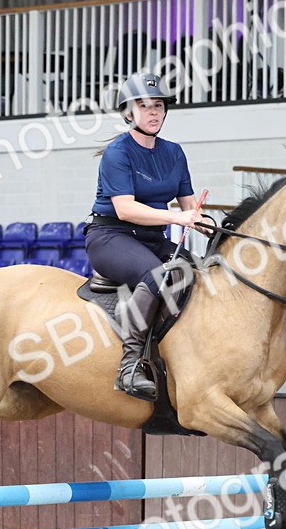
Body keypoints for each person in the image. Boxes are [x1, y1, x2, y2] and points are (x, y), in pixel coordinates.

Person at [86, 74, 206, 401]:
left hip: (153, 240)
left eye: (158, 106)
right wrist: (177, 217)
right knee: (156, 275)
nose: (153, 112)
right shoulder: (117, 153)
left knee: (203, 273)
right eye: (144, 106)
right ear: (128, 114)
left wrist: (203, 221)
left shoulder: (175, 153)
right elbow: (124, 210)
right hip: (111, 237)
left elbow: (188, 206)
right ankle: (129, 366)